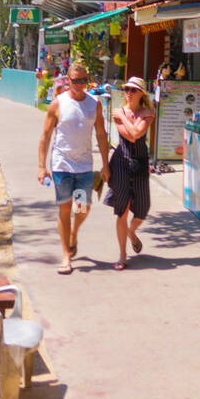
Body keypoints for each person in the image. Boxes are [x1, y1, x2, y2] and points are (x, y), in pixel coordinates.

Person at [38, 59, 110, 274]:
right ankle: (66, 256)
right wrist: (42, 166)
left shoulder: (93, 104)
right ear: (67, 81)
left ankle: (74, 233)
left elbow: (101, 134)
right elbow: (45, 136)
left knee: (83, 208)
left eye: (84, 81)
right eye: (76, 81)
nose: (80, 85)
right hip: (62, 165)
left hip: (84, 165)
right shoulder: (57, 104)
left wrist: (105, 164)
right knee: (65, 209)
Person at [106, 76, 155, 270]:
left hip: (140, 163)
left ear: (141, 93)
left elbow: (135, 135)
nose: (128, 92)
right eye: (127, 89)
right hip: (120, 163)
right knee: (122, 210)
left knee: (143, 207)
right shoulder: (118, 112)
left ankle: (131, 232)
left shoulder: (147, 112)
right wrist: (127, 120)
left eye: (133, 90)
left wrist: (125, 117)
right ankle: (122, 254)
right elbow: (129, 134)